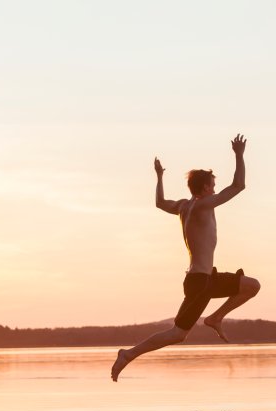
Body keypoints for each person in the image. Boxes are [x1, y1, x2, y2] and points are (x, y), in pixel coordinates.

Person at [111, 133, 260, 382]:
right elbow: (238, 186)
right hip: (200, 282)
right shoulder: (202, 205)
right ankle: (128, 354)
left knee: (252, 286)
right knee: (178, 333)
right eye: (212, 185)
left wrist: (159, 176)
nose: (214, 189)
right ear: (204, 188)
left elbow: (159, 202)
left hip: (205, 278)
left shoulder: (183, 206)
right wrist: (239, 155)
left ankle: (215, 317)